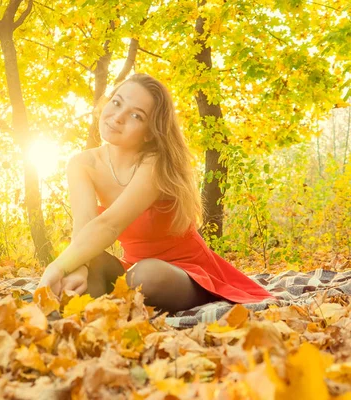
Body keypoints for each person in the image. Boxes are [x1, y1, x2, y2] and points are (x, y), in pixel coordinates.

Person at [37, 73, 274, 314]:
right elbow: (85, 225)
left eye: (136, 115)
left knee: (146, 275)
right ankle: (77, 316)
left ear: (150, 132)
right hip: (132, 269)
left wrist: (57, 266)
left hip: (185, 271)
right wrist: (77, 268)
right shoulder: (81, 163)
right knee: (92, 261)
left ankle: (107, 304)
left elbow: (109, 225)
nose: (118, 118)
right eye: (117, 102)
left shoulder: (155, 164)